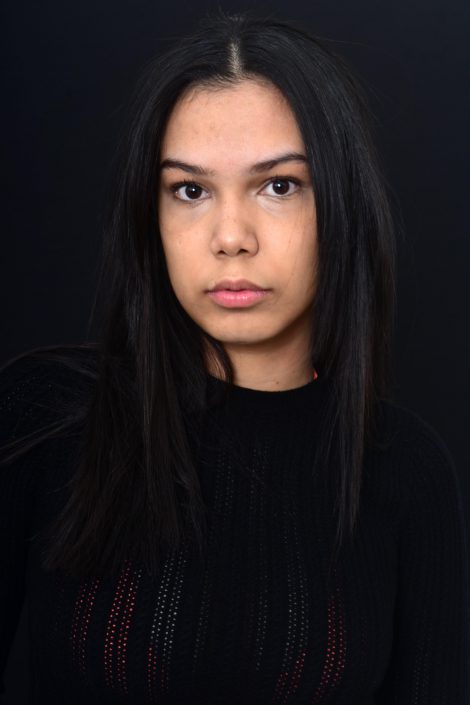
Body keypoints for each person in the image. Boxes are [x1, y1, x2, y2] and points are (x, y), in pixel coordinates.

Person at [1, 9, 468, 704]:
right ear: (151, 217)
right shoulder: (45, 417)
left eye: (279, 185)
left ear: (341, 205)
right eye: (189, 191)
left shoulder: (406, 471)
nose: (230, 237)